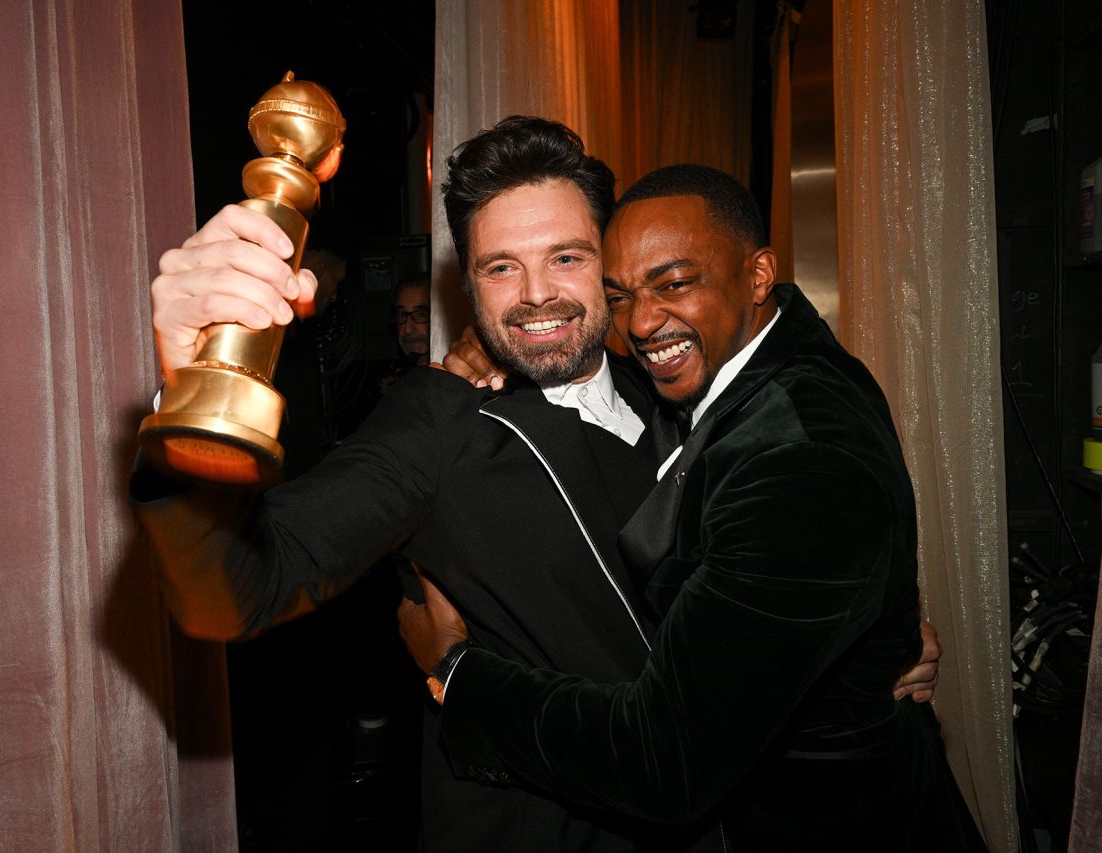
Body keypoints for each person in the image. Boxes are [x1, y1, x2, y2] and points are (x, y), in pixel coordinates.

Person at [134, 118, 938, 851]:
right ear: (470, 285)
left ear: (610, 262)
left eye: (566, 258)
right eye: (500, 268)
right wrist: (191, 393)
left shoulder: (675, 383)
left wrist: (861, 643)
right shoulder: (438, 424)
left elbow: (767, 558)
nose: (536, 296)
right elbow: (239, 587)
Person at [399, 165, 986, 850]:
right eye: (620, 296)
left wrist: (457, 672)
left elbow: (666, 762)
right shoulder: (764, 365)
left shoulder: (794, 455)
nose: (643, 323)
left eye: (675, 283)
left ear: (759, 274)